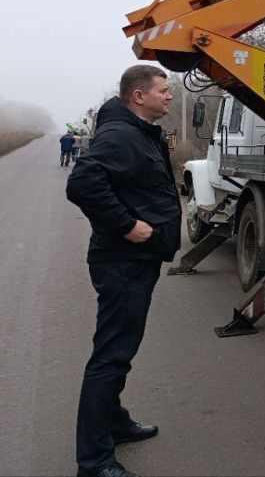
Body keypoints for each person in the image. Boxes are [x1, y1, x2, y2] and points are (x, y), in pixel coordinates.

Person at [66, 65, 182, 477]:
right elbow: (81, 184)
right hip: (123, 262)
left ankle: (113, 422)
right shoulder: (120, 136)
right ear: (139, 96)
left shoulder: (136, 130)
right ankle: (94, 463)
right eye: (164, 91)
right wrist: (126, 225)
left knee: (119, 352)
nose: (170, 96)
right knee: (111, 357)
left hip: (133, 262)